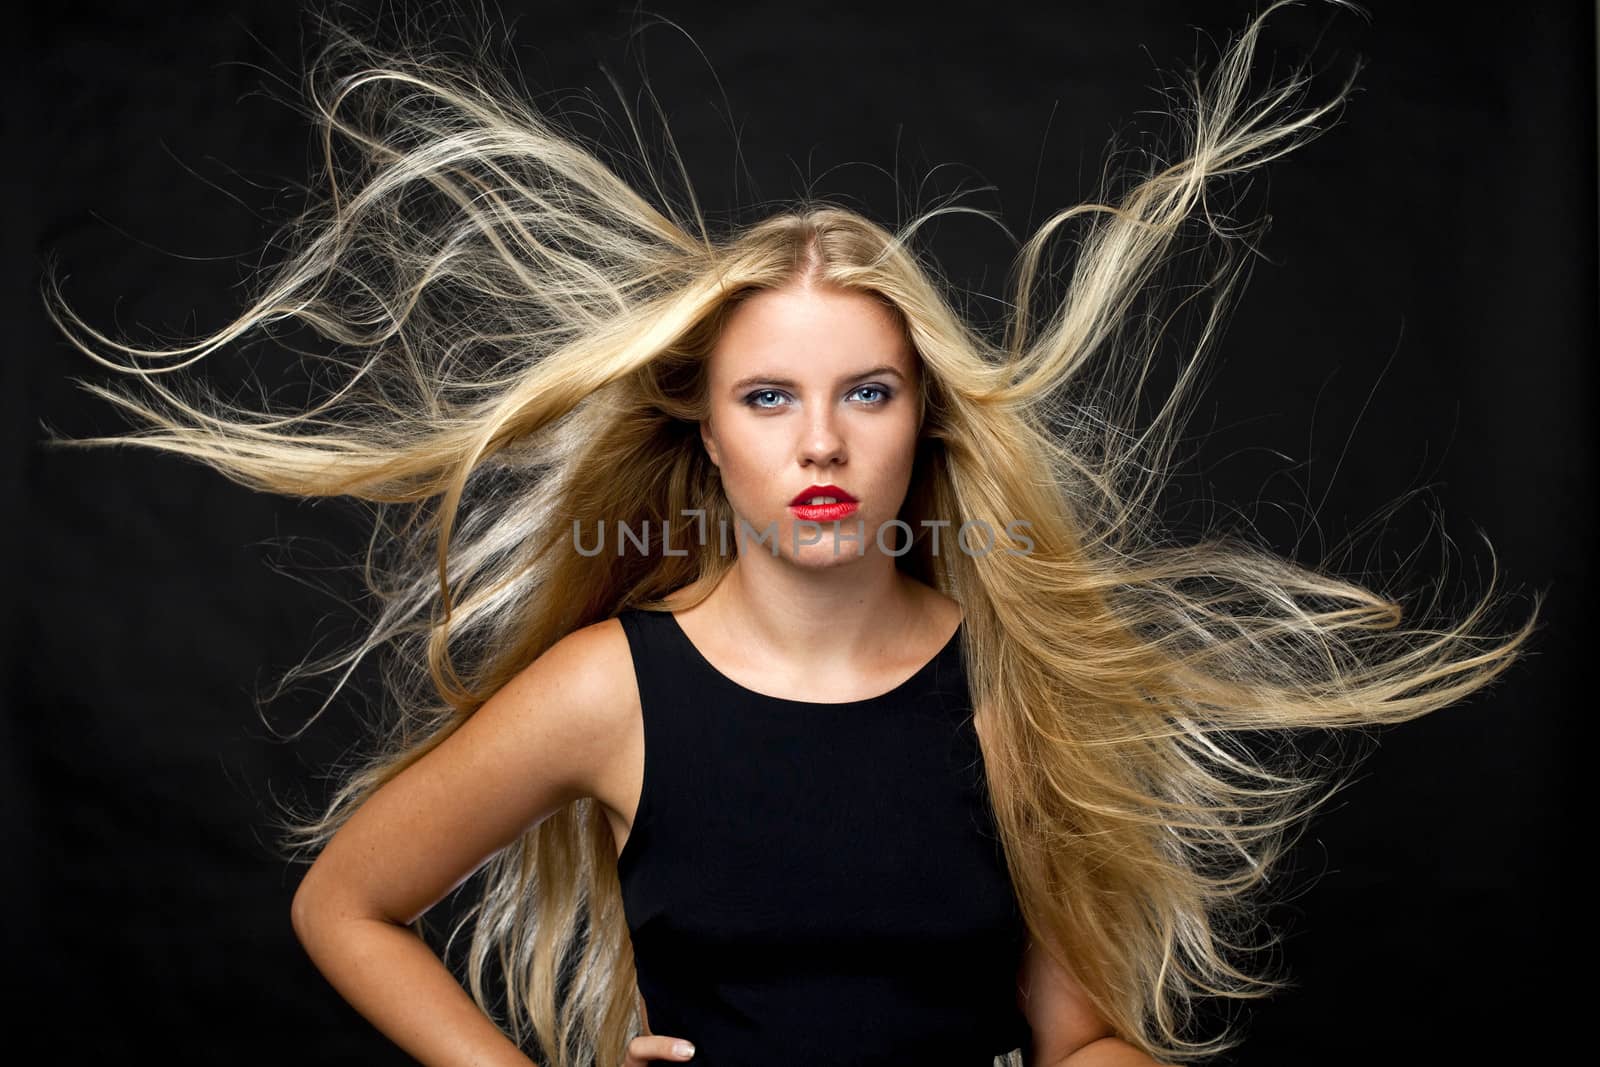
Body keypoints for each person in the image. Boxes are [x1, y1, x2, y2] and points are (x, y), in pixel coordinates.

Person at [39, 1, 1538, 1064]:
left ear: (926, 422)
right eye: (770, 396)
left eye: (867, 393)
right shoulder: (612, 692)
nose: (820, 441)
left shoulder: (1012, 692)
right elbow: (342, 902)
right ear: (708, 428)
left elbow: (1072, 1033)